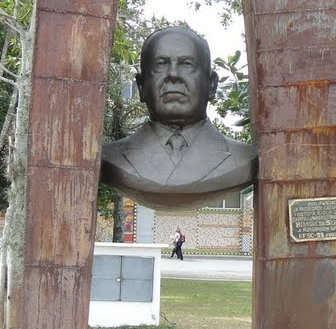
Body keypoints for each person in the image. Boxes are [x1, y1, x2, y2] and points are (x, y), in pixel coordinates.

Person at [100, 27, 257, 209]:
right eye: (161, 64)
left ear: (212, 85)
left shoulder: (245, 158)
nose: (173, 74)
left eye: (186, 64)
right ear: (142, 86)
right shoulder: (109, 158)